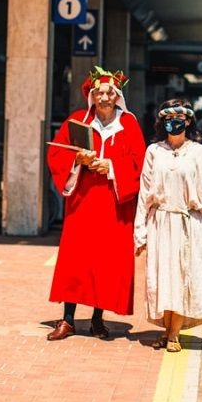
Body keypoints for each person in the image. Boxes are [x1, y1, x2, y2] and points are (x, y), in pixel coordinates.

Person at [45, 66, 147, 341]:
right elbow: (56, 153)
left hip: (114, 205)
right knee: (75, 260)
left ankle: (97, 319)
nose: (104, 97)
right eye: (99, 93)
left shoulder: (129, 125)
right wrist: (77, 161)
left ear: (117, 96)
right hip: (83, 202)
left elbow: (140, 163)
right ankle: (67, 320)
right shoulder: (77, 122)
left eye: (109, 93)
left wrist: (111, 166)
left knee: (106, 261)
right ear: (92, 95)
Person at [134, 98, 202, 352]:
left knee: (183, 276)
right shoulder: (153, 151)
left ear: (189, 120)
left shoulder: (198, 152)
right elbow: (144, 193)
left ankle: (173, 334)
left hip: (188, 223)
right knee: (163, 278)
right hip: (160, 222)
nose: (174, 123)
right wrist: (140, 232)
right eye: (169, 119)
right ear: (162, 122)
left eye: (179, 119)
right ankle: (167, 330)